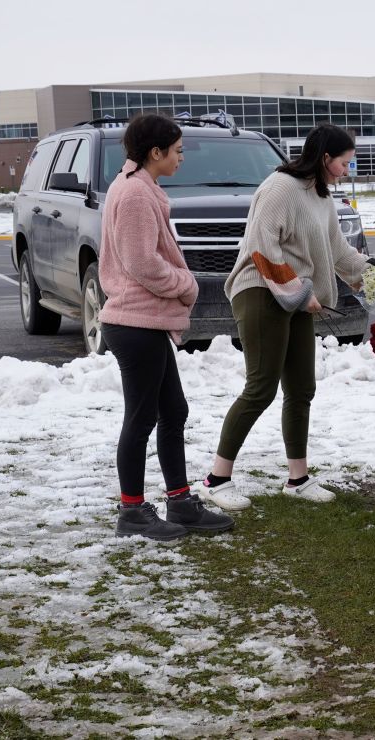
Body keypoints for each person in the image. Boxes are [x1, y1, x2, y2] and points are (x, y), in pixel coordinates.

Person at [197, 123, 371, 506]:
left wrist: (374, 277)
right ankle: (215, 479)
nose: (347, 170)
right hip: (260, 293)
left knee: (301, 389)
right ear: (325, 159)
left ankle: (297, 479)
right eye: (344, 163)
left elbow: (339, 252)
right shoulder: (280, 188)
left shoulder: (320, 197)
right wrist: (296, 289)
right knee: (260, 388)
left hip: (297, 299)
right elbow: (262, 248)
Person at [100, 113, 234, 540]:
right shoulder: (137, 195)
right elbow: (141, 263)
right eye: (177, 150)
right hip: (134, 320)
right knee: (141, 420)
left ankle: (180, 503)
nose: (182, 157)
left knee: (173, 411)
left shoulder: (140, 187)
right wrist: (186, 283)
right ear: (155, 152)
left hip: (144, 321)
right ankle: (133, 511)